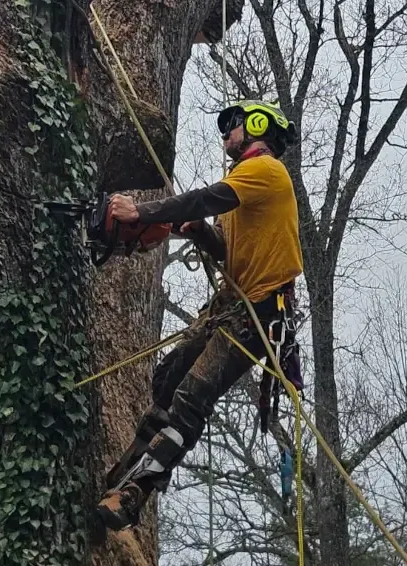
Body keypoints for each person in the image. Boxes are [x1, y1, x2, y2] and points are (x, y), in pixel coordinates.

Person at [94, 99, 305, 531]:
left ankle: (134, 495)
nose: (226, 134)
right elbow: (228, 251)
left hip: (262, 311)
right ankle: (130, 467)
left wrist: (142, 211)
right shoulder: (246, 184)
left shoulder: (265, 170)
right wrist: (202, 233)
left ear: (257, 125)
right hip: (232, 304)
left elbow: (206, 198)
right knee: (168, 378)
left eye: (233, 125)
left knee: (193, 395)